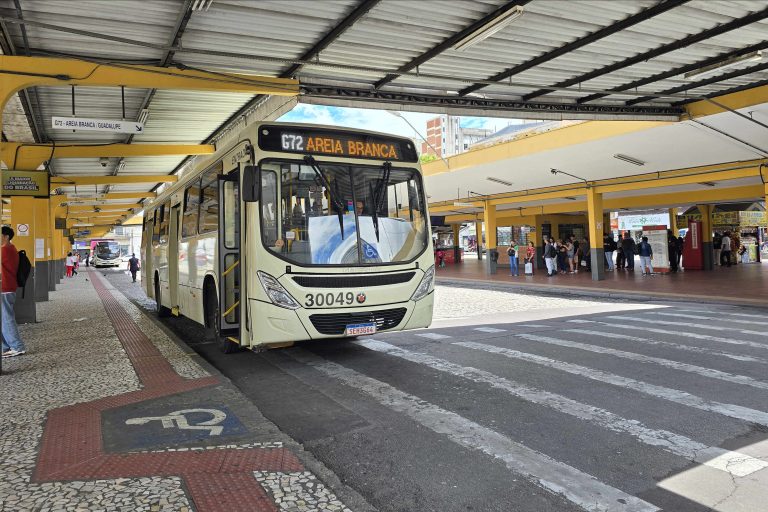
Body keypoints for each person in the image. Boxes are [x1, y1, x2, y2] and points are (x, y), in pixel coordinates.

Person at [2, 226, 26, 358]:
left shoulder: (4, 250)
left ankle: (17, 346)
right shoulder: (11, 248)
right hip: (8, 287)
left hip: (4, 288)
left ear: (5, 236)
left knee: (6, 318)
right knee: (3, 318)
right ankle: (5, 347)